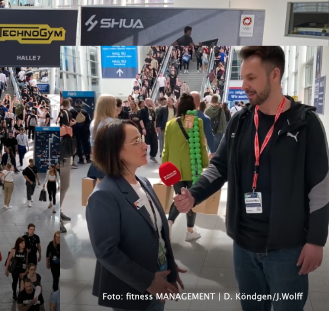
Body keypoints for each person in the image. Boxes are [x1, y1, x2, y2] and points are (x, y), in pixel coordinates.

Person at [174, 46, 328, 311]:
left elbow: (321, 187)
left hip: (288, 247)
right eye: (243, 77)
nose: (243, 85)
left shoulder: (306, 123)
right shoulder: (241, 121)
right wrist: (195, 193)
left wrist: (316, 240)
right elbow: (218, 167)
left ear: (275, 75)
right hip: (244, 245)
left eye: (252, 78)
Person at [86, 119, 185, 310]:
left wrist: (169, 266)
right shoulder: (104, 196)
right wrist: (148, 281)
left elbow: (158, 233)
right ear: (115, 151)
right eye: (136, 141)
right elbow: (106, 252)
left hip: (159, 272)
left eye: (142, 138)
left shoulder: (144, 182)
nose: (145, 145)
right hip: (131, 287)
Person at [162, 93, 209, 242]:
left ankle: (169, 224)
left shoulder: (170, 124)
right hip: (192, 167)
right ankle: (189, 231)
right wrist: (206, 163)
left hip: (174, 169)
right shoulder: (194, 121)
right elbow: (200, 144)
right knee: (191, 199)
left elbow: (166, 149)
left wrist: (164, 166)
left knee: (179, 198)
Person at [139, 98, 158, 162]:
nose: (152, 102)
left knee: (154, 142)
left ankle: (153, 155)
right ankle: (143, 156)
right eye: (151, 101)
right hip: (146, 128)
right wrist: (143, 128)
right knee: (145, 143)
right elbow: (141, 120)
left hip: (152, 128)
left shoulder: (152, 110)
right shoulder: (143, 110)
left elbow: (154, 120)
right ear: (147, 102)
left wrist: (155, 128)